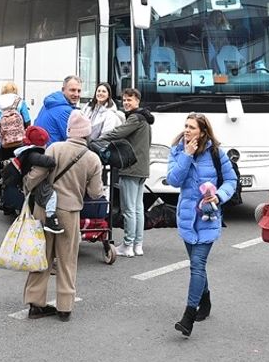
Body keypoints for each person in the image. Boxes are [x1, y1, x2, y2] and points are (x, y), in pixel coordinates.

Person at [23, 112, 104, 322]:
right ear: (87, 134)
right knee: (67, 260)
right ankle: (65, 307)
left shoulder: (54, 148)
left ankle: (35, 303)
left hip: (44, 208)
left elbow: (37, 175)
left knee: (42, 257)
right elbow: (96, 193)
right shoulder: (92, 158)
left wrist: (26, 185)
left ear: (69, 130)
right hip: (69, 212)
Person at [168, 113, 237, 337]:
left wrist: (219, 196)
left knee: (197, 264)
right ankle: (205, 301)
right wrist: (186, 156)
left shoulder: (217, 153)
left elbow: (230, 181)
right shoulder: (178, 150)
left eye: (192, 127)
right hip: (187, 217)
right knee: (197, 264)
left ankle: (188, 316)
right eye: (186, 126)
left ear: (203, 131)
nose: (187, 130)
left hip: (209, 217)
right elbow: (173, 180)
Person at [100, 87, 153, 257]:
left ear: (138, 101)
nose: (126, 103)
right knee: (138, 208)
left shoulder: (135, 118)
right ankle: (138, 244)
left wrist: (98, 138)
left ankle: (128, 245)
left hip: (130, 168)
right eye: (124, 100)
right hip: (142, 168)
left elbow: (118, 132)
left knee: (129, 209)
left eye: (130, 100)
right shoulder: (145, 119)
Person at [4, 126, 64, 234]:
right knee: (51, 195)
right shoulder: (32, 154)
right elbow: (47, 162)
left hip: (27, 183)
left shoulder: (26, 152)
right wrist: (53, 160)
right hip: (34, 184)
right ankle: (51, 219)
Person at [32, 75, 82, 144]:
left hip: (40, 149)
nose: (76, 94)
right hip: (52, 152)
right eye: (72, 90)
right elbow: (73, 140)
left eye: (79, 91)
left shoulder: (51, 103)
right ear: (63, 90)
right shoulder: (65, 110)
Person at [0, 82, 32, 161]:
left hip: (4, 143)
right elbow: (27, 121)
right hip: (20, 142)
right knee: (20, 165)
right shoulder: (20, 102)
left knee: (4, 165)